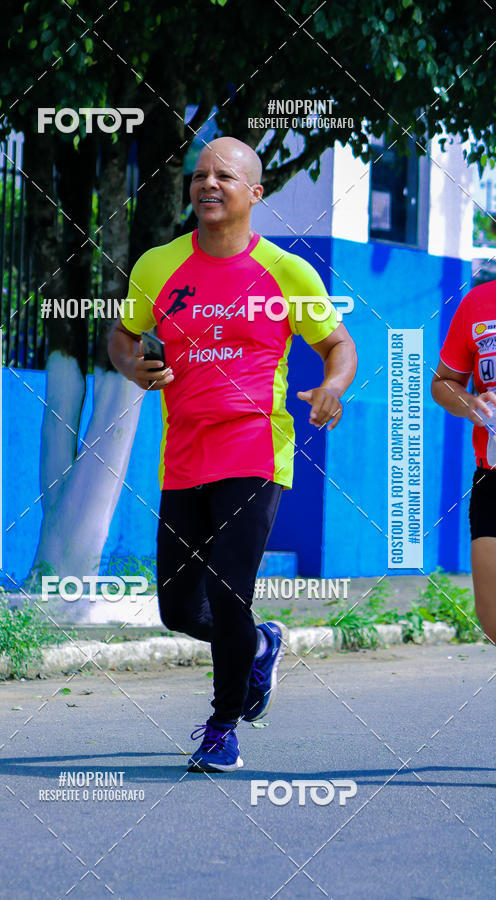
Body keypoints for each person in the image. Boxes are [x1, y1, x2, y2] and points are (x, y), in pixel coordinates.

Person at [108, 136, 357, 772]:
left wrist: (331, 385)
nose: (208, 185)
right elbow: (122, 336)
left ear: (256, 193)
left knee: (228, 590)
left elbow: (338, 345)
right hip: (184, 454)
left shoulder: (286, 271)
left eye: (224, 176)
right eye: (199, 176)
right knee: (175, 607)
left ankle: (222, 728)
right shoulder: (158, 266)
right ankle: (262, 645)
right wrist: (134, 368)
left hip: (255, 448)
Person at [432, 281, 496, 645]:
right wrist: (471, 405)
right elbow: (443, 383)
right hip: (492, 477)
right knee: (492, 620)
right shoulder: (479, 302)